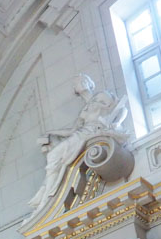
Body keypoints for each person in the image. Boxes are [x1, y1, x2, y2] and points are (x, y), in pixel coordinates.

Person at [29, 74, 129, 211]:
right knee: (52, 156)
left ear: (85, 82)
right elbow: (71, 131)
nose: (74, 86)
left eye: (76, 83)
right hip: (80, 135)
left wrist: (116, 123)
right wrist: (52, 132)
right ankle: (46, 195)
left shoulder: (102, 96)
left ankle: (46, 197)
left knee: (53, 156)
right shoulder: (84, 110)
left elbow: (122, 109)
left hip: (91, 133)